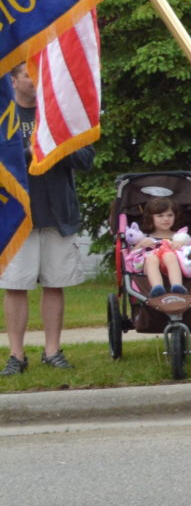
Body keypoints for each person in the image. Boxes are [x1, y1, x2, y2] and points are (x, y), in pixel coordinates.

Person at [1, 63, 92, 377]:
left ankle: (52, 351)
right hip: (17, 216)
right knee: (15, 286)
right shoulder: (5, 118)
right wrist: (29, 152)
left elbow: (86, 160)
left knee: (55, 285)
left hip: (57, 214)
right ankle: (16, 355)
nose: (35, 80)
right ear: (13, 80)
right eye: (28, 75)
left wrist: (54, 145)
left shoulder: (59, 117)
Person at [122, 195, 191, 296]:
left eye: (170, 215)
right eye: (160, 216)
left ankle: (177, 286)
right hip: (150, 267)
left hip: (173, 265)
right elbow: (131, 256)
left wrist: (182, 244)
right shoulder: (145, 237)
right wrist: (140, 245)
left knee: (169, 255)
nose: (166, 219)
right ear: (151, 218)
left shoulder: (179, 236)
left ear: (175, 216)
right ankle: (157, 288)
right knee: (151, 258)